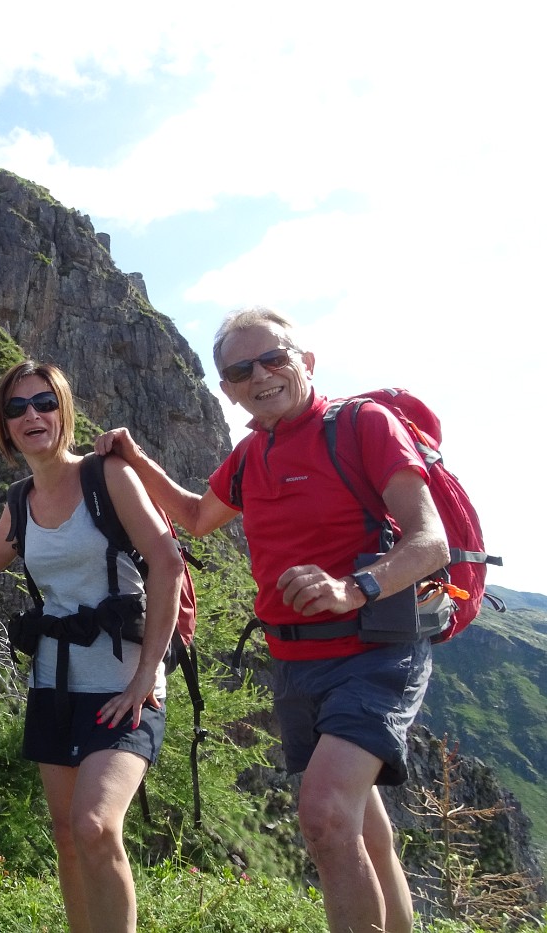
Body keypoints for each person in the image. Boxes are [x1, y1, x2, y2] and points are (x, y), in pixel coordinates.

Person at [96, 307, 449, 933]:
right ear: (227, 390)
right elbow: (196, 517)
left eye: (273, 358)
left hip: (374, 652)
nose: (260, 375)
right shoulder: (252, 453)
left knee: (323, 816)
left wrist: (353, 587)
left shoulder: (364, 425)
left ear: (305, 362)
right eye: (240, 369)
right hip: (295, 661)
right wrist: (134, 455)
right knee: (362, 825)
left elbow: (429, 543)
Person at [0, 361, 183, 933]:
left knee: (95, 825)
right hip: (55, 684)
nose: (31, 416)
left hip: (123, 688)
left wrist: (146, 676)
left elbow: (167, 563)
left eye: (43, 402)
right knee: (67, 835)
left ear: (63, 409)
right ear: (5, 426)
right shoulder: (20, 500)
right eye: (16, 409)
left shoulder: (106, 476)